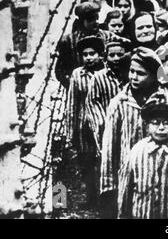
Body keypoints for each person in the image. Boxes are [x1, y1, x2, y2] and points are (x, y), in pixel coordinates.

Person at [100, 47, 168, 218]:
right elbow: (110, 147)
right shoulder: (120, 103)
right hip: (128, 176)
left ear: (154, 76)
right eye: (131, 71)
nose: (133, 77)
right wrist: (109, 187)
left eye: (141, 73)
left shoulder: (166, 101)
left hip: (160, 177)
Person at [65, 36, 105, 207]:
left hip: (104, 123)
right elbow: (72, 104)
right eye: (85, 54)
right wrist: (70, 132)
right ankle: (91, 197)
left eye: (92, 53)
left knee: (104, 162)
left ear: (100, 55)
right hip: (85, 126)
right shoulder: (77, 74)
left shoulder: (106, 72)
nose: (89, 57)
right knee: (87, 162)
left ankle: (106, 197)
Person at [55, 2, 119, 89]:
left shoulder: (109, 37)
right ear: (82, 21)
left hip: (104, 87)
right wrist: (74, 85)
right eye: (90, 20)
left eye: (97, 18)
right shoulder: (69, 41)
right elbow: (60, 71)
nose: (95, 22)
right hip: (80, 88)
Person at [85, 39, 130, 154]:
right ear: (105, 58)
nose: (116, 58)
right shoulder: (98, 78)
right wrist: (104, 127)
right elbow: (92, 104)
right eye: (112, 55)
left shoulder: (131, 76)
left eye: (120, 55)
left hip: (128, 128)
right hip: (107, 130)